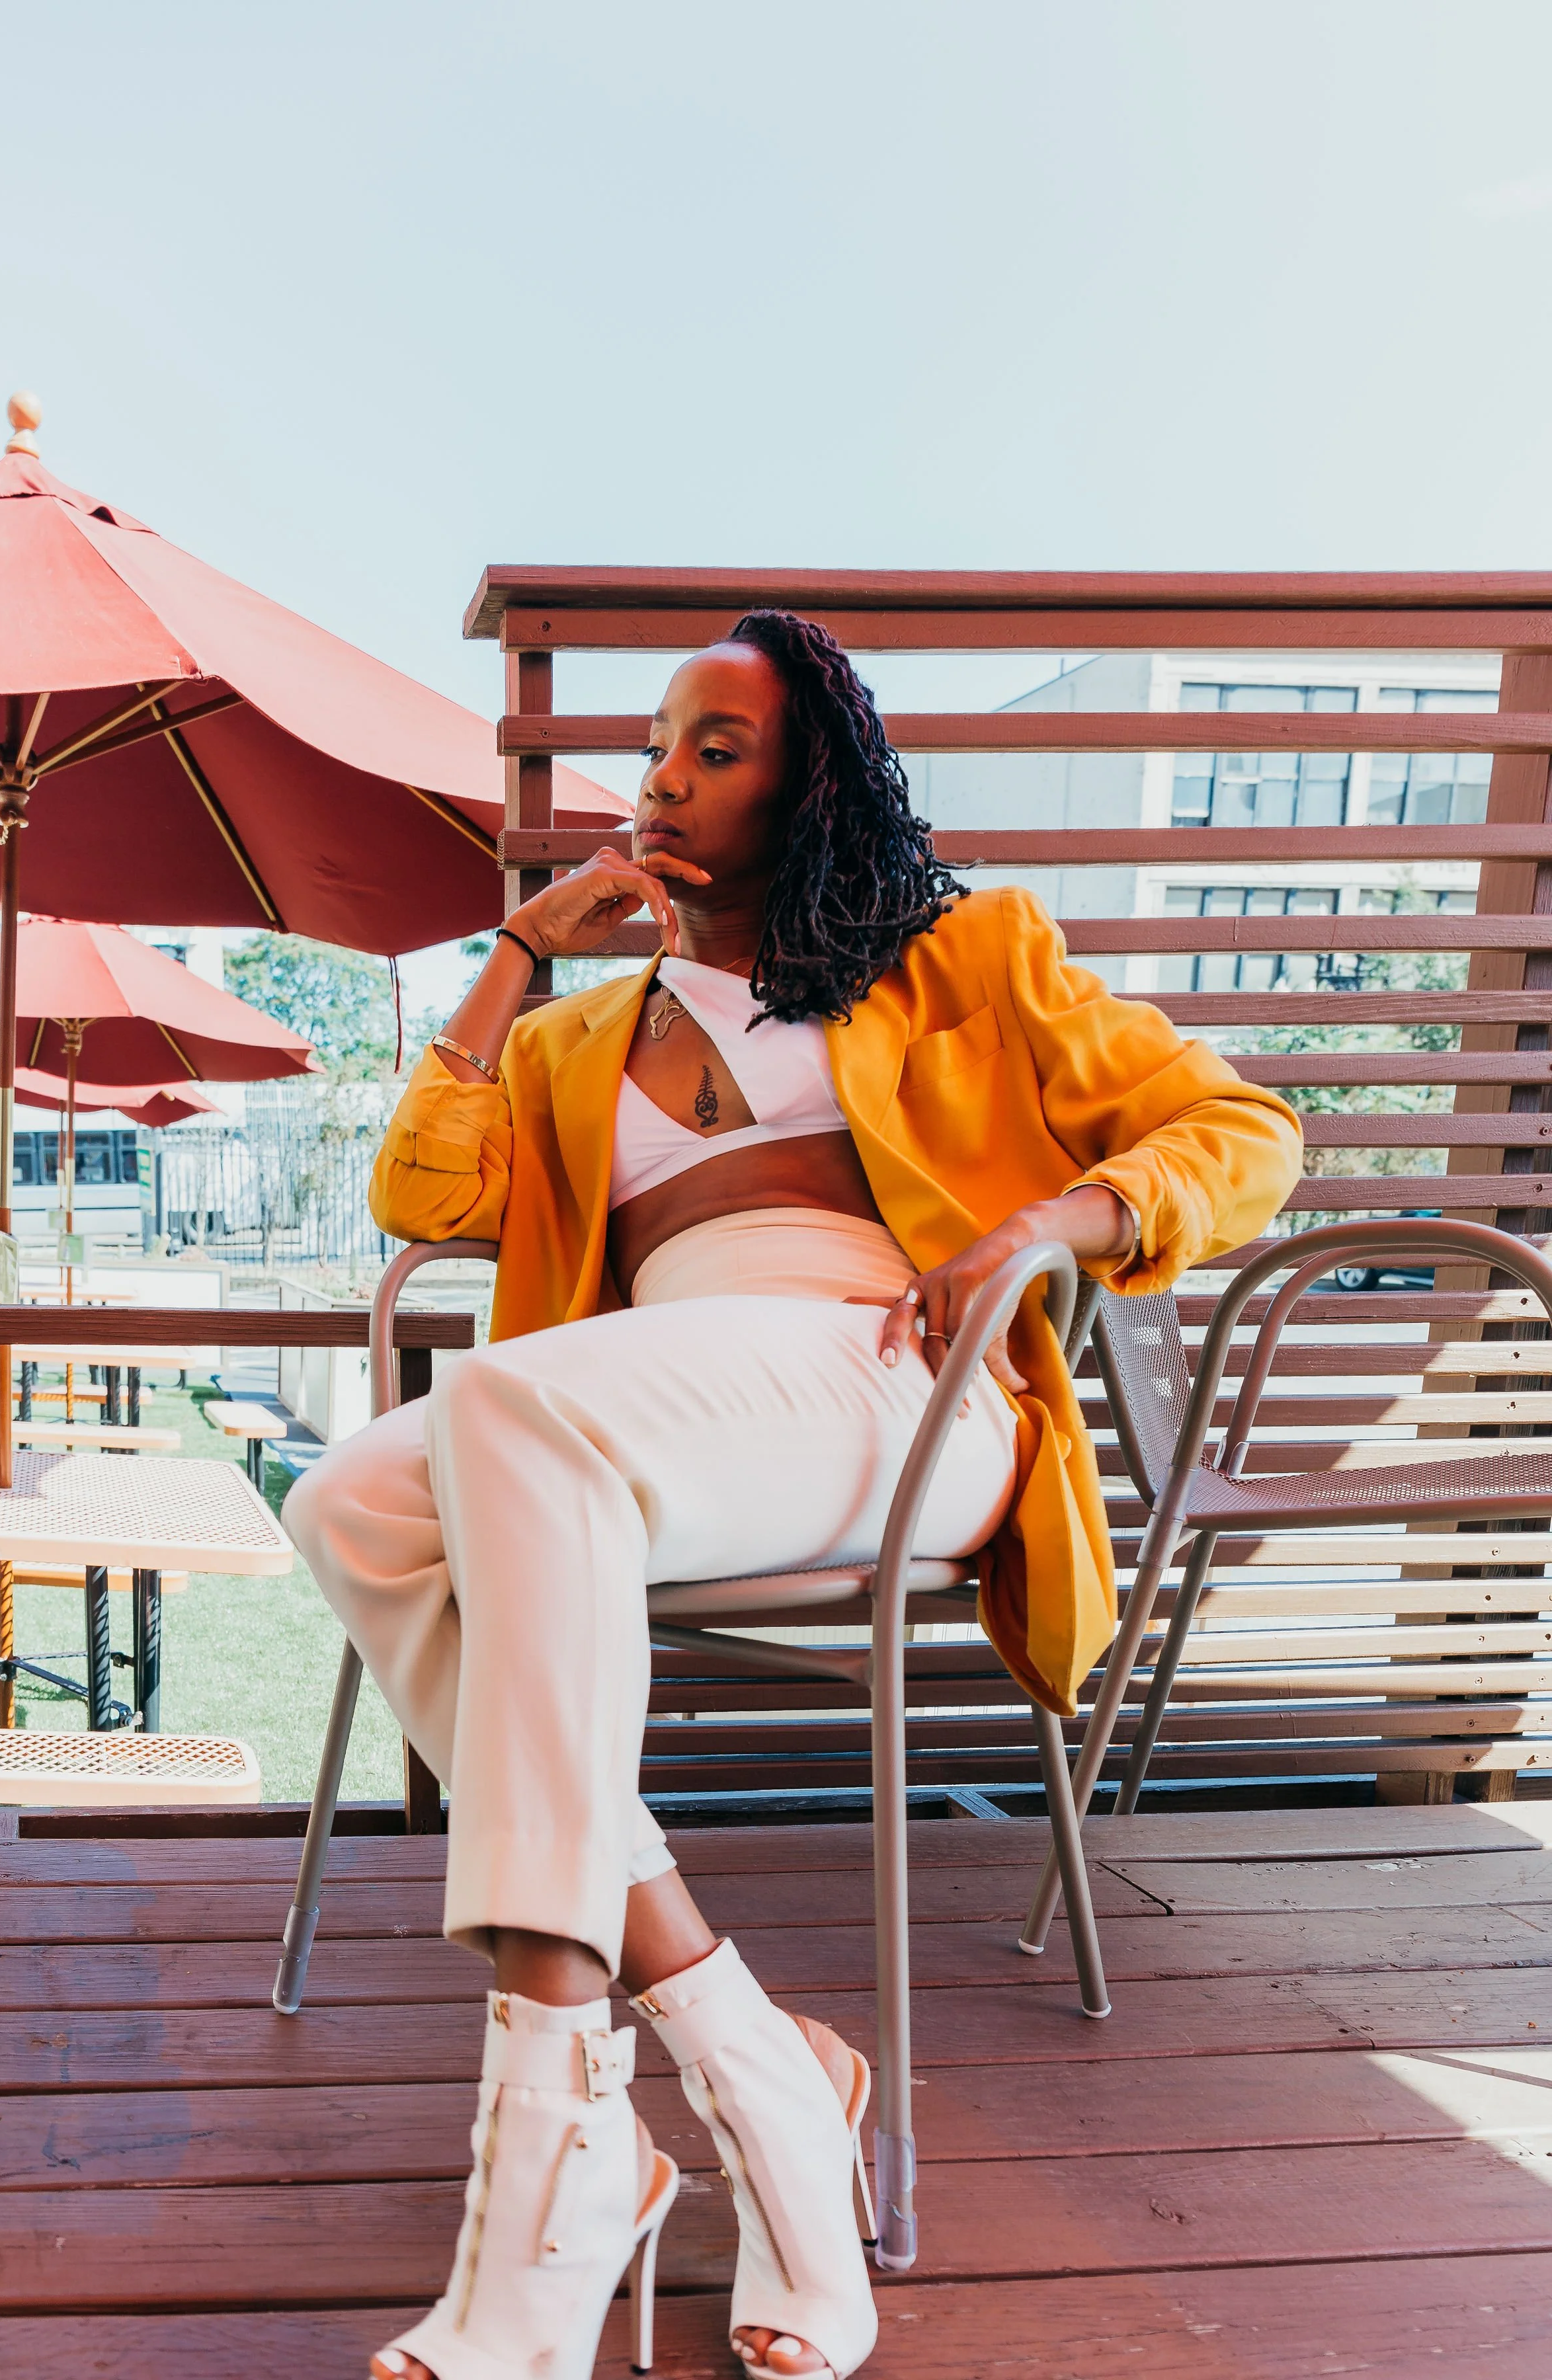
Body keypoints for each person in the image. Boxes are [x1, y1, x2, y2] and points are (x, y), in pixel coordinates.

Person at [285, 612, 1302, 2380]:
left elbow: (1242, 1131)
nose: (666, 776)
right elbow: (417, 1191)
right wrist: (522, 951)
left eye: (718, 746)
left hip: (898, 1389)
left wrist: (1053, 1222)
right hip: (637, 1415)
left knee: (502, 1413)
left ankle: (555, 2154)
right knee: (351, 1501)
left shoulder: (965, 958)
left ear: (812, 782)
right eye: (659, 745)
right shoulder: (572, 1045)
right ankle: (758, 2061)